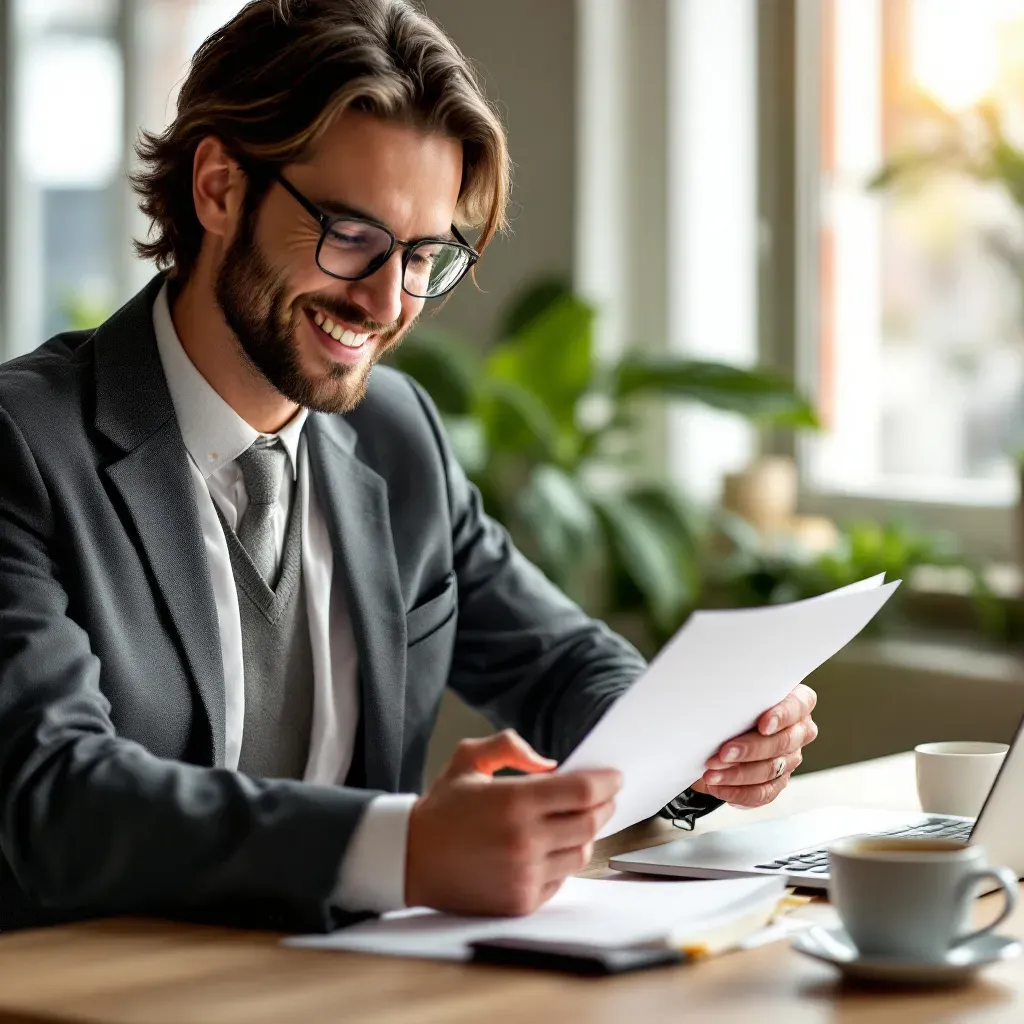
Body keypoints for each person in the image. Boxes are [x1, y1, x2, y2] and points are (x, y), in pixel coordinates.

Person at [0, 0, 818, 933]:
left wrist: (698, 742)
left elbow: (557, 665)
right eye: (351, 236)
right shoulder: (23, 446)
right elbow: (54, 795)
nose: (387, 301)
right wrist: (407, 848)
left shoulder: (397, 434)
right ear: (220, 189)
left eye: (425, 254)